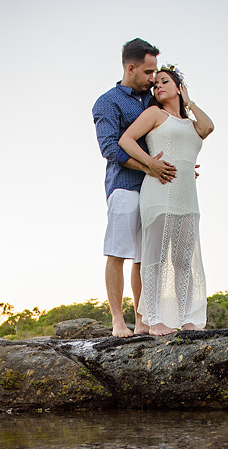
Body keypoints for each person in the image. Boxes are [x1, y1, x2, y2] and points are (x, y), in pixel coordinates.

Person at [118, 67, 214, 335]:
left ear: (178, 87)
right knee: (155, 257)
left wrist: (189, 101)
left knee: (183, 259)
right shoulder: (154, 114)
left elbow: (208, 127)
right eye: (155, 83)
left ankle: (187, 317)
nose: (158, 86)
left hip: (187, 197)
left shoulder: (191, 123)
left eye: (165, 81)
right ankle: (154, 319)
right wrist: (149, 163)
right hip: (159, 192)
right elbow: (125, 140)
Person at [92, 39, 178, 337]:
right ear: (131, 67)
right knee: (118, 252)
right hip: (125, 187)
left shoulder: (153, 100)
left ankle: (142, 320)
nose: (153, 78)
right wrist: (148, 166)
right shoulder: (107, 101)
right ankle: (118, 320)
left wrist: (178, 164)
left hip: (155, 189)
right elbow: (110, 149)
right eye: (148, 71)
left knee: (144, 256)